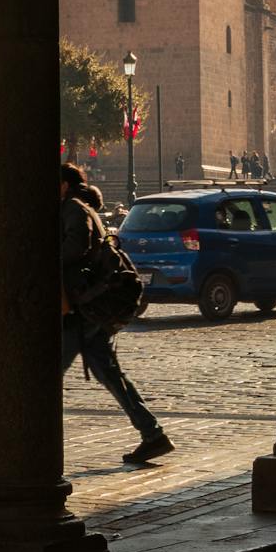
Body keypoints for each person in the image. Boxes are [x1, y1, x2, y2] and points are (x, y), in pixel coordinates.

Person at [60, 162, 171, 464]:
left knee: (47, 371)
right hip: (88, 306)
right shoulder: (78, 208)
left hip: (84, 308)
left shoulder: (73, 208)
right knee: (109, 374)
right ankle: (153, 434)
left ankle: (21, 437)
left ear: (64, 186)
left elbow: (75, 248)